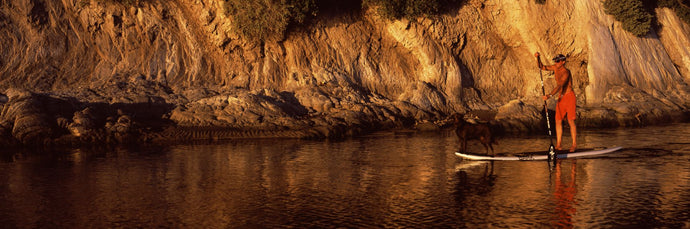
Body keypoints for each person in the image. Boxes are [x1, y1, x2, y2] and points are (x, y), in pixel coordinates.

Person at [535, 52, 577, 152]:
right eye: (555, 61)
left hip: (569, 97)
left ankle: (574, 145)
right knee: (558, 121)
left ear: (563, 62)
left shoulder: (566, 72)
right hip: (561, 98)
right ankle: (558, 145)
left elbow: (560, 86)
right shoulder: (555, 68)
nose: (556, 63)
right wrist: (538, 58)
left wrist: (549, 95)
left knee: (571, 121)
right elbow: (542, 67)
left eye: (558, 61)